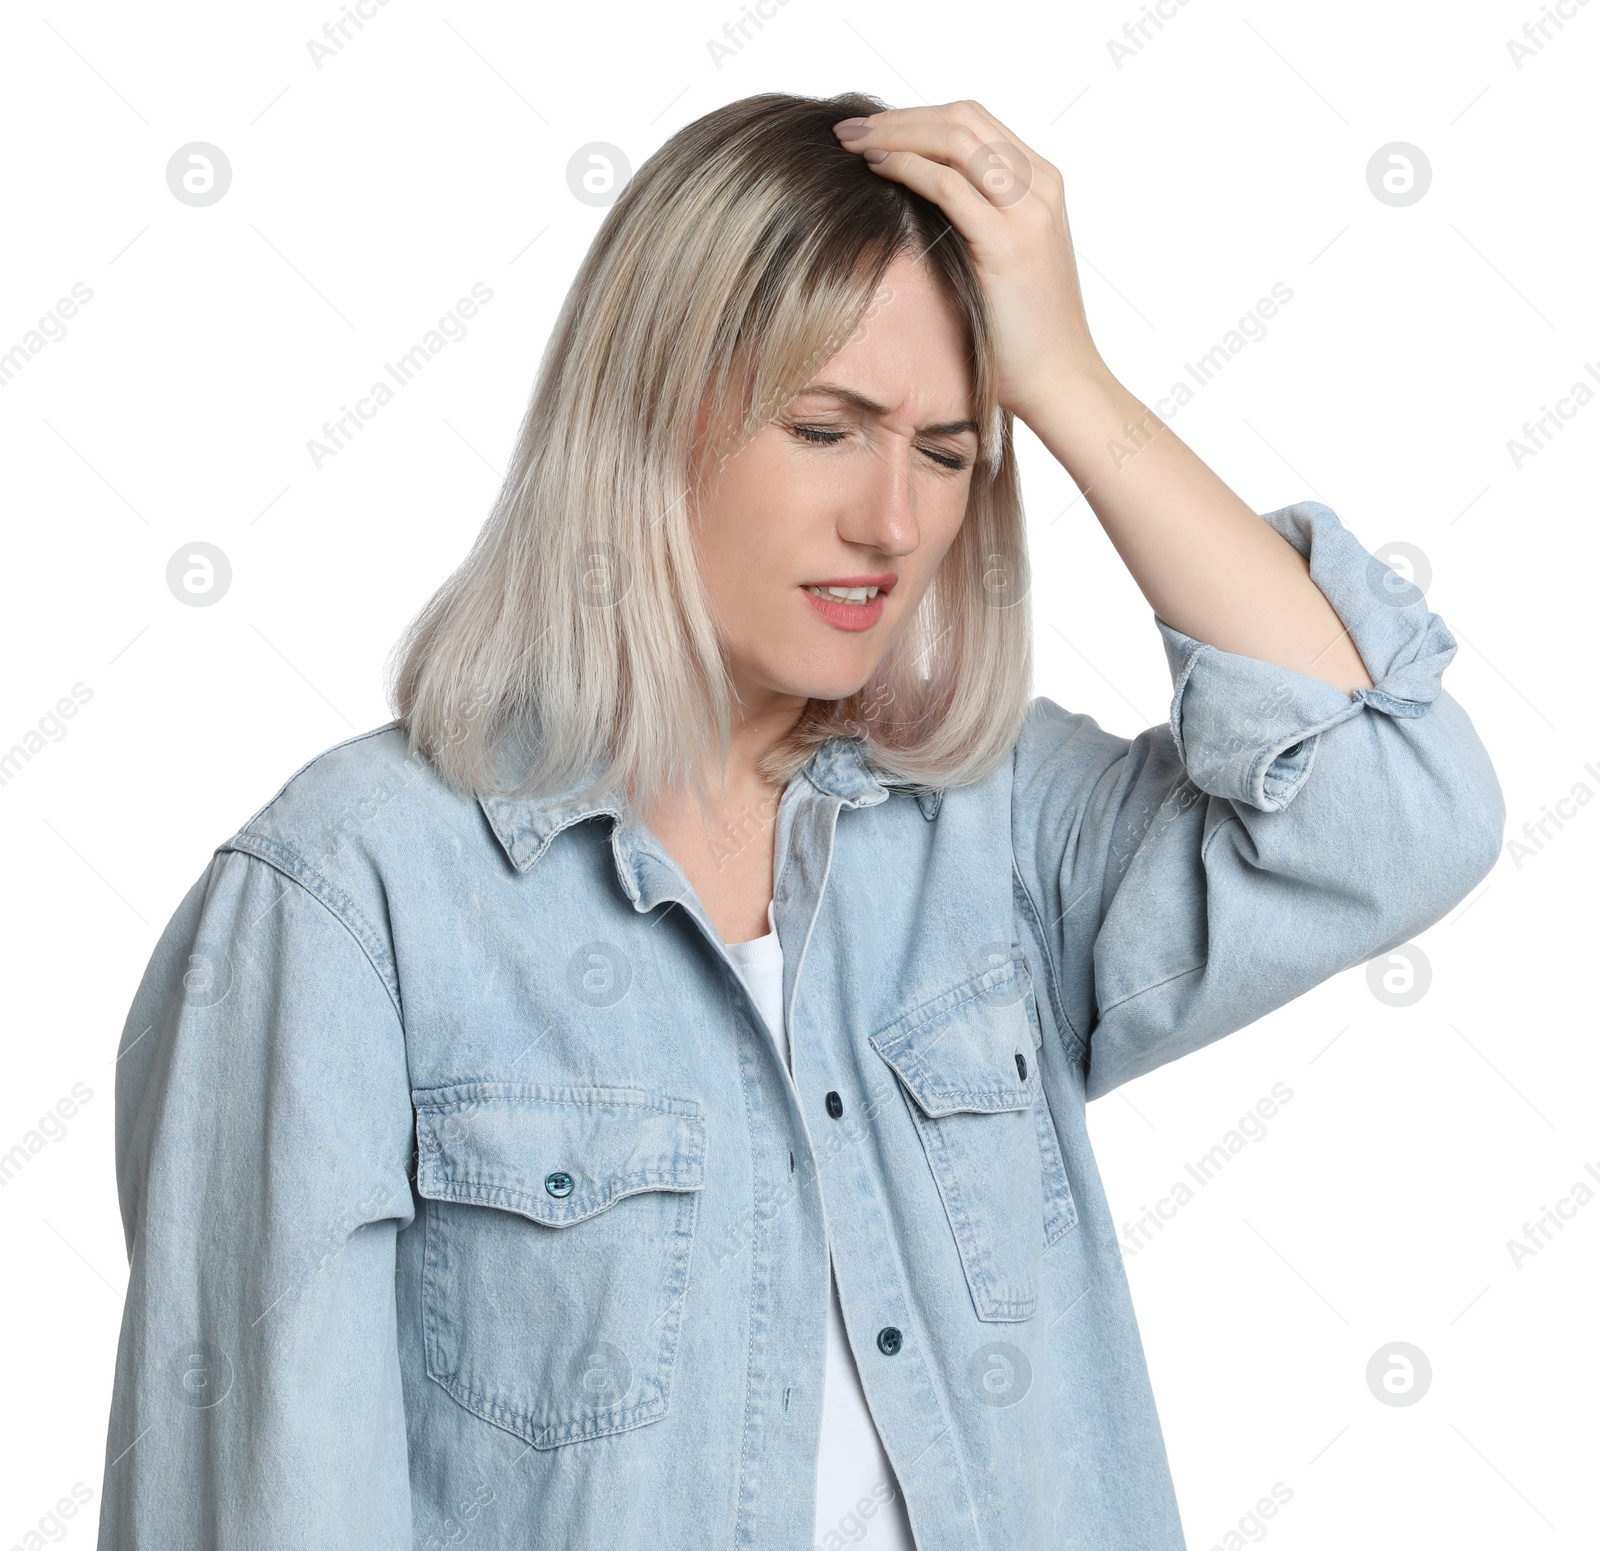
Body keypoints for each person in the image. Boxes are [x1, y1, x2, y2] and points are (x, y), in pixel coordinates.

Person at [96, 92, 1503, 1550]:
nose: (892, 523)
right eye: (828, 429)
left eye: (949, 452)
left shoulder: (997, 829)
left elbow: (1390, 809)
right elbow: (258, 1512)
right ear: (644, 416)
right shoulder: (350, 898)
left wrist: (1072, 381)